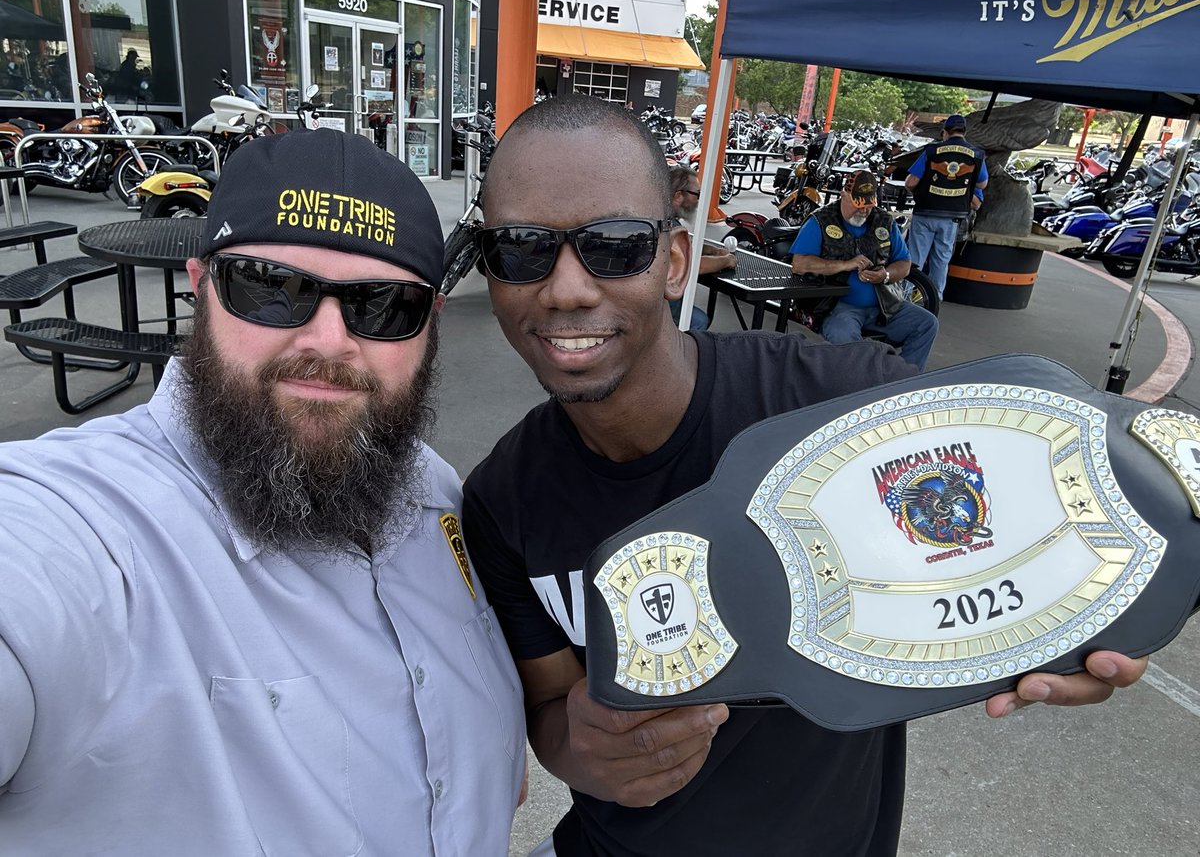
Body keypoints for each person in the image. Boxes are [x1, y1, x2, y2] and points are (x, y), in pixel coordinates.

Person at [461, 95, 1147, 857]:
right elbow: (551, 705)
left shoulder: (843, 407)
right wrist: (581, 751)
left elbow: (1036, 506)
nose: (565, 289)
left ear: (676, 262)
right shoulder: (501, 501)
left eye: (615, 245)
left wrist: (1089, 612)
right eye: (521, 248)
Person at [0, 129, 525, 854]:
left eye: (382, 306)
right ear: (200, 284)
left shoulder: (431, 488)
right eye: (273, 288)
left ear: (430, 327)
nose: (330, 340)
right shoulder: (87, 526)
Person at [790, 169, 938, 370]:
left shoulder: (884, 221)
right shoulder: (821, 220)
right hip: (837, 306)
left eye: (868, 205)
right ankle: (859, 388)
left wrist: (884, 276)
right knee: (849, 342)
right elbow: (799, 264)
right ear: (844, 195)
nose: (864, 211)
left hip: (884, 304)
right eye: (858, 204)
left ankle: (903, 380)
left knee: (927, 323)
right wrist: (845, 264)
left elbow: (903, 263)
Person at [904, 114, 988, 297]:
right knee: (941, 260)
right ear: (964, 132)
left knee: (915, 258)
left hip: (925, 212)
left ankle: (905, 296)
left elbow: (911, 182)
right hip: (952, 216)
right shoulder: (977, 154)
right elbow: (982, 184)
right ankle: (934, 299)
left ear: (944, 132)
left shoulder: (932, 151)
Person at [668, 164, 737, 330]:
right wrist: (726, 260)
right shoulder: (669, 225)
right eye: (696, 194)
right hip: (663, 312)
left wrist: (711, 250)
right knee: (699, 321)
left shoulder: (661, 216)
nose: (698, 200)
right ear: (678, 196)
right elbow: (693, 265)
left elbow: (683, 248)